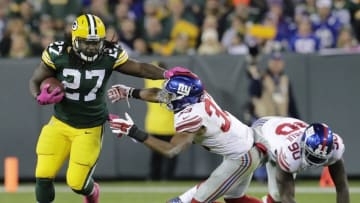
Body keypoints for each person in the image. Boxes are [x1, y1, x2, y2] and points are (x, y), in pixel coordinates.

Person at [28, 13, 188, 203]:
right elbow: (35, 80)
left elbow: (140, 69)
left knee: (77, 183)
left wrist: (167, 74)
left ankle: (92, 191)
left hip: (90, 126)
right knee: (43, 174)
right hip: (60, 122)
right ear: (74, 39)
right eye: (86, 42)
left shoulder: (109, 55)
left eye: (95, 43)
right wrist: (39, 95)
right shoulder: (58, 53)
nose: (90, 47)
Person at [107, 74, 269, 203]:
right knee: (236, 200)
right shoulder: (197, 94)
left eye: (171, 95)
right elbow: (160, 94)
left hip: (242, 156)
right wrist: (130, 92)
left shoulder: (192, 117)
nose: (166, 97)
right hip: (248, 145)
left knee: (197, 201)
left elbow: (170, 150)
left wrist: (133, 131)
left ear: (183, 99)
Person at [251, 116, 349, 203]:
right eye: (312, 156)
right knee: (240, 182)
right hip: (262, 130)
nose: (315, 163)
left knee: (276, 196)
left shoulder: (335, 148)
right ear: (302, 145)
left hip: (284, 129)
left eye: (320, 158)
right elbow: (287, 196)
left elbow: (342, 186)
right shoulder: (290, 153)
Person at [144, 61, 178, 181]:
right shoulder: (171, 84)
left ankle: (153, 177)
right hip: (170, 125)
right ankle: (168, 178)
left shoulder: (149, 82)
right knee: (171, 153)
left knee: (155, 154)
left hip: (154, 124)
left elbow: (147, 70)